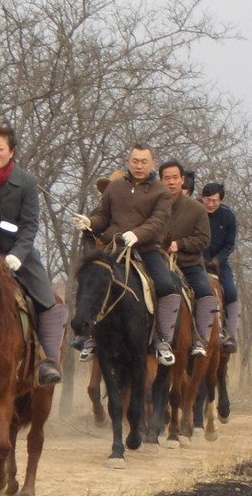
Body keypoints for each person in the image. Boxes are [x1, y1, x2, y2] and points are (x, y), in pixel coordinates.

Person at [0, 125, 67, 385]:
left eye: (0, 149)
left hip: (19, 255)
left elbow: (30, 224)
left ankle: (48, 360)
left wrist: (18, 255)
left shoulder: (27, 182)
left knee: (47, 300)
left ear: (11, 152)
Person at [73, 144, 179, 365]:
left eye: (143, 161)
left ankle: (162, 340)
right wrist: (89, 222)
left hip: (146, 249)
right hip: (114, 248)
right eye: (135, 161)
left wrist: (137, 235)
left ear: (153, 163)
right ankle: (90, 336)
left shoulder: (162, 192)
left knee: (167, 285)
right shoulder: (114, 188)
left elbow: (157, 222)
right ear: (128, 162)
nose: (139, 166)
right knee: (91, 279)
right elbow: (103, 218)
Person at [159, 160, 217, 357]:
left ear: (182, 180)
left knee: (205, 290)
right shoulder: (152, 206)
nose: (171, 182)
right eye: (167, 178)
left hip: (188, 264)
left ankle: (200, 339)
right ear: (160, 181)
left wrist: (179, 245)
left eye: (175, 178)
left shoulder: (197, 209)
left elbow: (204, 239)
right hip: (157, 262)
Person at [201, 183, 240, 353]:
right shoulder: (195, 212)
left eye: (215, 201)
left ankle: (231, 335)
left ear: (221, 200)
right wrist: (201, 259)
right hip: (196, 262)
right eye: (207, 200)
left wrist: (218, 259)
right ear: (202, 198)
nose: (210, 204)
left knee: (231, 293)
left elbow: (230, 244)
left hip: (220, 264)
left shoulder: (228, 216)